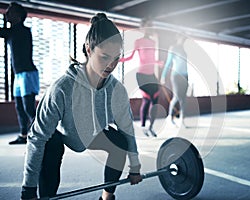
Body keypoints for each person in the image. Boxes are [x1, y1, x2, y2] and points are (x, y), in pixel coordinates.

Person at [20, 13, 142, 200]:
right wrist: (28, 190)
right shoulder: (62, 88)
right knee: (50, 145)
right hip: (63, 133)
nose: (111, 65)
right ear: (88, 49)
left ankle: (107, 196)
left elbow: (127, 130)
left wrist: (135, 166)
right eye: (104, 57)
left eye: (117, 58)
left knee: (120, 142)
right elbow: (36, 138)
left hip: (92, 134)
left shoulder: (117, 91)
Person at [0, 2, 39, 145]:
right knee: (19, 107)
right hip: (19, 75)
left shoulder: (22, 31)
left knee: (29, 108)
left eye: (9, 12)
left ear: (17, 16)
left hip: (28, 74)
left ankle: (43, 134)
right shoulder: (12, 31)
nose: (6, 14)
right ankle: (24, 135)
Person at [119, 18, 162, 137]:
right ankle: (143, 126)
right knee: (147, 99)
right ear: (143, 28)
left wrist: (158, 62)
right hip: (142, 76)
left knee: (155, 101)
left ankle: (151, 127)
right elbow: (130, 57)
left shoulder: (153, 42)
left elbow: (152, 59)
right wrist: (118, 60)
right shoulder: (138, 41)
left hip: (152, 76)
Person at [161, 34, 188, 127]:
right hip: (176, 76)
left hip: (185, 75)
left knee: (183, 99)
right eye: (183, 37)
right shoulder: (173, 48)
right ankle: (169, 117)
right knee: (176, 97)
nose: (184, 39)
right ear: (178, 37)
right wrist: (163, 76)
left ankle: (182, 120)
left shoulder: (184, 50)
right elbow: (168, 63)